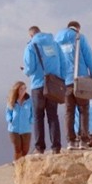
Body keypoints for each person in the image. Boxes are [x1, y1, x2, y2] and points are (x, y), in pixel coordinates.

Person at [23, 25, 66, 154]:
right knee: (53, 116)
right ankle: (56, 147)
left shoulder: (31, 46)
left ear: (31, 35)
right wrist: (61, 80)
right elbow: (63, 63)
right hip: (53, 85)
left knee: (38, 116)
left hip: (38, 85)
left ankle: (39, 147)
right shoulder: (55, 44)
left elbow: (29, 68)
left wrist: (25, 71)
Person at [55, 20, 92, 150]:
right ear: (77, 28)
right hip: (80, 80)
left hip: (65, 81)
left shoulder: (57, 40)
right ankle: (83, 140)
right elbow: (89, 57)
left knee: (69, 112)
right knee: (84, 110)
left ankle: (70, 141)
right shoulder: (80, 38)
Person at [6, 81, 33, 161]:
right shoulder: (12, 100)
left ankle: (23, 165)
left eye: (25, 88)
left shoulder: (29, 101)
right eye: (21, 89)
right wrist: (10, 119)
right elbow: (8, 112)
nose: (23, 90)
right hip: (14, 129)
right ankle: (17, 165)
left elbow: (33, 112)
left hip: (26, 129)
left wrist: (31, 120)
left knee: (25, 150)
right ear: (17, 90)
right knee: (18, 149)